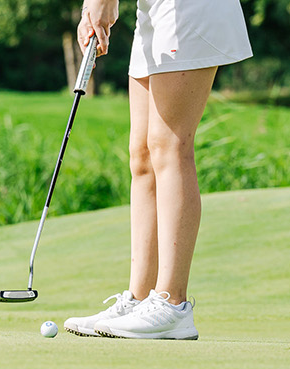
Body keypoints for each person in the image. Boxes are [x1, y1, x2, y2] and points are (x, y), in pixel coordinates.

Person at [60, 0, 252, 340]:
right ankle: (139, 298)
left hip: (188, 8)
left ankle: (172, 303)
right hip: (153, 9)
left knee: (170, 146)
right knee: (143, 156)